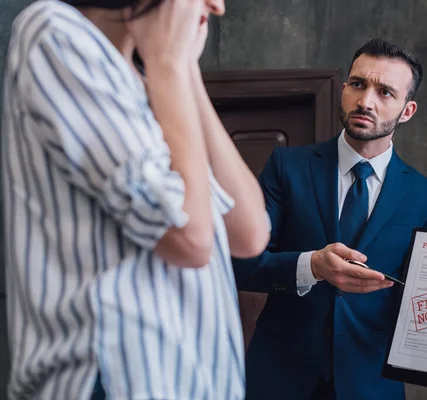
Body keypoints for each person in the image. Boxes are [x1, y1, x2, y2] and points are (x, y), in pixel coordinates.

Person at [2, 0, 270, 399]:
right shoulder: (54, 33)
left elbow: (250, 233)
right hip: (114, 381)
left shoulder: (154, 88)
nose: (217, 6)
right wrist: (169, 66)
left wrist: (184, 71)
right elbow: (190, 239)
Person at [232, 38, 427, 400]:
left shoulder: (425, 197)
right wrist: (312, 266)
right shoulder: (287, 168)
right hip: (277, 378)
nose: (366, 101)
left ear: (407, 110)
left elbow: (422, 297)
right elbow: (243, 263)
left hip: (370, 383)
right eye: (358, 84)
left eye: (385, 92)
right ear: (344, 89)